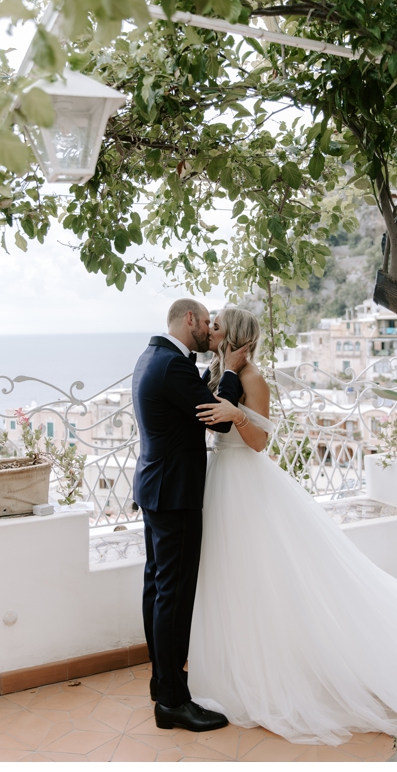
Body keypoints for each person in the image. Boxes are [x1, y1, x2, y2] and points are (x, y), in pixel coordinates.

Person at [183, 307, 397, 746]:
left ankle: (275, 669)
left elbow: (261, 443)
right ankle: (237, 662)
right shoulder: (219, 372)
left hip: (245, 481)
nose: (210, 330)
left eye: (217, 326)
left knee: (263, 575)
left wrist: (237, 415)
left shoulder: (253, 381)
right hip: (221, 482)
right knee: (232, 576)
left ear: (238, 337)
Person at [131, 298, 239, 732]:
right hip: (174, 494)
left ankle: (164, 681)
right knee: (173, 595)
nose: (210, 330)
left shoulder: (150, 357)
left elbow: (187, 401)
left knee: (157, 588)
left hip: (156, 488)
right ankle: (173, 701)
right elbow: (221, 420)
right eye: (207, 323)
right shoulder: (171, 366)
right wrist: (229, 369)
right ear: (190, 319)